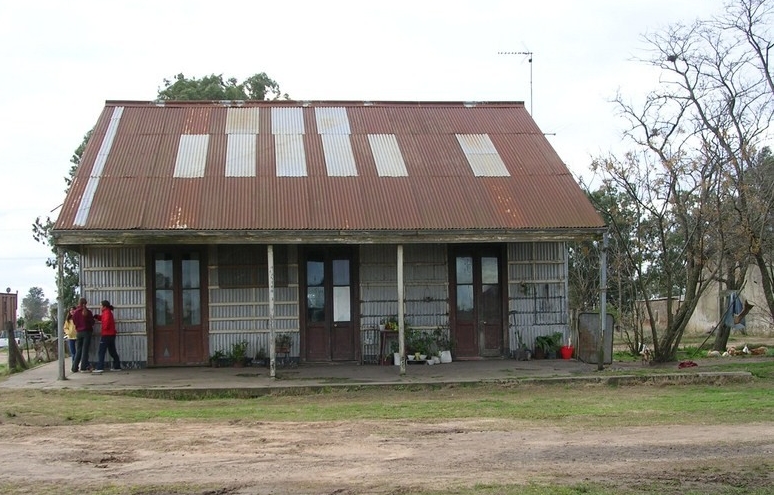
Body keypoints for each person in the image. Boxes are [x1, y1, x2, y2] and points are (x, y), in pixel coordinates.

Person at [93, 300, 121, 373]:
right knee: (112, 351)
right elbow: (103, 318)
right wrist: (98, 317)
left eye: (101, 305)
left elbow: (106, 322)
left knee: (101, 351)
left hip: (106, 335)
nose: (100, 307)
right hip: (111, 334)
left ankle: (100, 367)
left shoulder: (106, 313)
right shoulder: (108, 312)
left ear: (104, 306)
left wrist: (104, 329)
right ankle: (117, 366)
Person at [71, 297, 95, 373]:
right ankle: (83, 367)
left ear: (79, 303)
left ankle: (74, 367)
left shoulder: (75, 312)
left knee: (78, 350)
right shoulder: (88, 312)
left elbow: (74, 322)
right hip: (87, 332)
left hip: (79, 333)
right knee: (85, 350)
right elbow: (92, 323)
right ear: (86, 303)